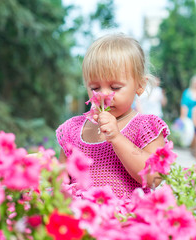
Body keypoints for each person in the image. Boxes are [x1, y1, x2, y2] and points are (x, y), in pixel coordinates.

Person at [56, 33, 170, 199]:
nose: (103, 95)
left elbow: (154, 178)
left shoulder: (146, 127)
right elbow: (62, 181)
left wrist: (116, 137)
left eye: (115, 87)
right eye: (95, 88)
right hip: (84, 219)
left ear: (140, 86)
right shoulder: (72, 130)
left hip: (126, 221)